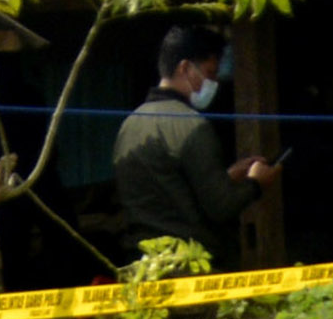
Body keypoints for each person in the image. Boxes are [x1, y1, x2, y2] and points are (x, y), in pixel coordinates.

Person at [111, 20, 280, 259]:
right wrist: (255, 184)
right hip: (188, 263)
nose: (215, 83)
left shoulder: (128, 126)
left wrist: (225, 178)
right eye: (210, 73)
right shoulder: (192, 126)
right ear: (185, 68)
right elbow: (221, 207)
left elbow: (171, 191)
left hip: (142, 261)